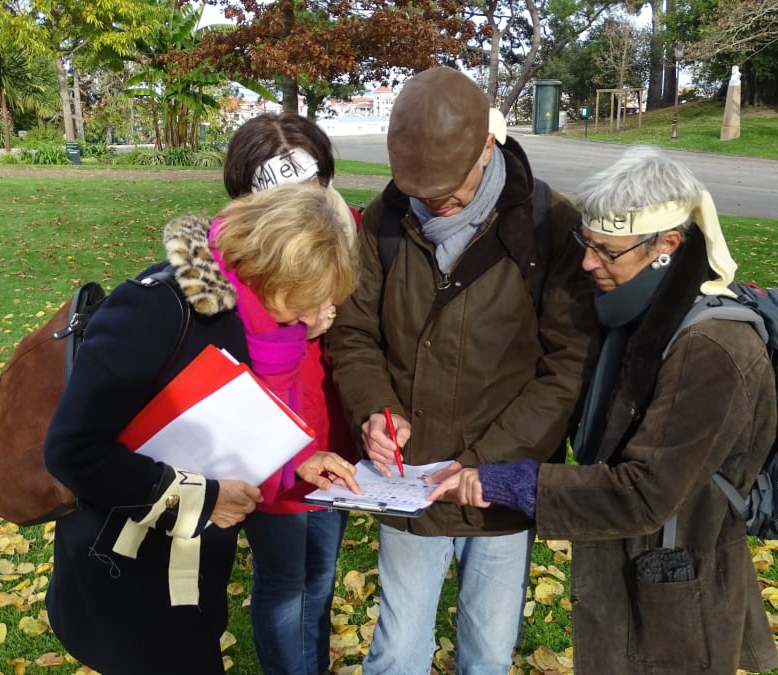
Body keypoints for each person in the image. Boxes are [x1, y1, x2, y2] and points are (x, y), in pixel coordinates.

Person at [429, 146, 778, 674]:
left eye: (607, 252)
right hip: (635, 576)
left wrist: (514, 483)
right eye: (586, 245)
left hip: (680, 591)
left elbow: (644, 492)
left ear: (667, 243)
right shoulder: (638, 314)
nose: (589, 263)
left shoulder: (710, 349)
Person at [324, 66, 599, 674]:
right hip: (410, 483)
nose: (433, 200)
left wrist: (488, 463)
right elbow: (354, 332)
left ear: (486, 148)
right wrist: (375, 411)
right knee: (396, 653)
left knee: (487, 655)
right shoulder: (385, 222)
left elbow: (567, 368)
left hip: (497, 485)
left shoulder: (548, 223)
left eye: (447, 186)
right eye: (419, 187)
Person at [43, 183, 360, 675]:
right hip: (126, 573)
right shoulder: (155, 309)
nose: (318, 317)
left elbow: (221, 425)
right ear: (271, 269)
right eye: (311, 300)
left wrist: (298, 461)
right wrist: (205, 498)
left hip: (189, 576)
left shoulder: (252, 320)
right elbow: (72, 451)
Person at [222, 112, 361, 675]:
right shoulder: (229, 256)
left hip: (331, 433)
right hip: (270, 439)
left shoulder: (348, 231)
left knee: (321, 572)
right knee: (284, 578)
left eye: (312, 192)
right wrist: (295, 327)